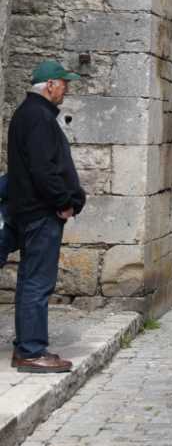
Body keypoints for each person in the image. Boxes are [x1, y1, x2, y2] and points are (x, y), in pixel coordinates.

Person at [7, 59, 86, 373]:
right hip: (41, 213)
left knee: (30, 282)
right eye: (63, 82)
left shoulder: (29, 114)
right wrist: (64, 200)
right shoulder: (38, 117)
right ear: (49, 85)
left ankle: (25, 348)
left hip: (31, 211)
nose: (66, 87)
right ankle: (31, 351)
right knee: (38, 283)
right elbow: (43, 169)